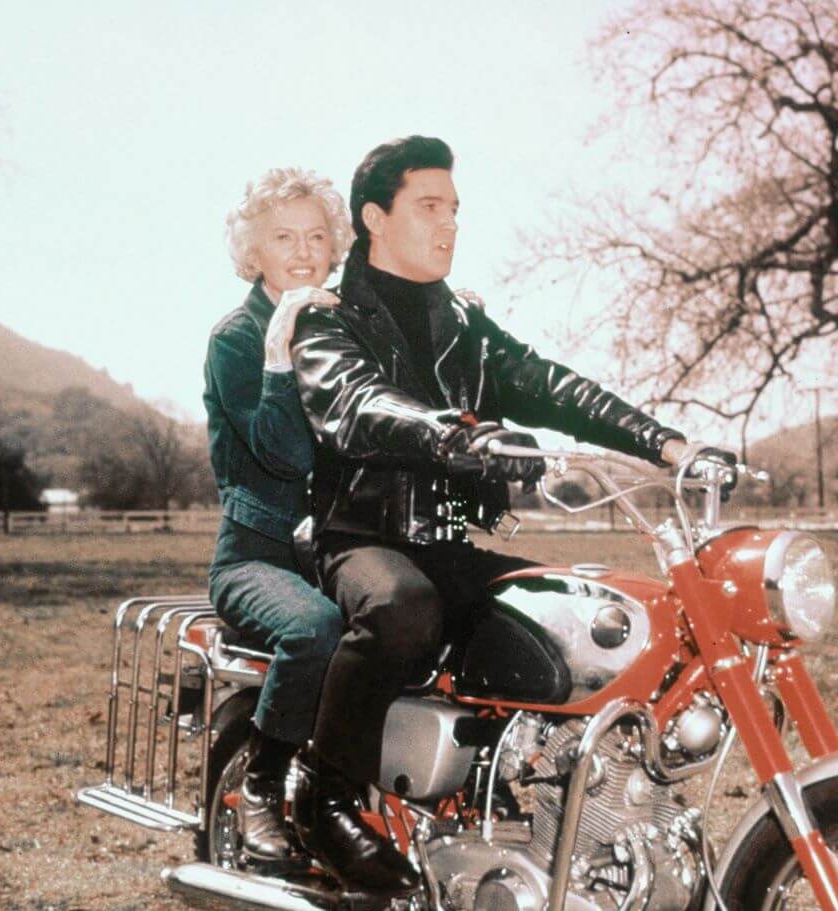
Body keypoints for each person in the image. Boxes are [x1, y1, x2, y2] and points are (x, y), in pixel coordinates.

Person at [289, 135, 689, 894]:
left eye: (455, 210)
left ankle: (541, 812)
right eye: (429, 207)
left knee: (576, 619)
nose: (448, 225)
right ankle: (326, 796)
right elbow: (356, 403)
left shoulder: (464, 325)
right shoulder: (328, 317)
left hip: (448, 543)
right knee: (403, 606)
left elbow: (552, 384)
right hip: (359, 539)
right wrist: (453, 432)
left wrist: (661, 441)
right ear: (375, 215)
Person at [202, 167, 350, 860]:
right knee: (315, 626)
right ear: (251, 253)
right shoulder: (237, 338)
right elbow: (285, 455)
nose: (302, 250)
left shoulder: (342, 326)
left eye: (316, 234)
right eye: (283, 237)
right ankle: (261, 785)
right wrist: (278, 347)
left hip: (333, 550)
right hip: (254, 557)